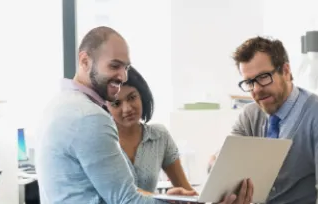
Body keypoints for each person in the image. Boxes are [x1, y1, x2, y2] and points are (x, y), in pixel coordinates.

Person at [35, 26, 254, 204]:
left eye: (125, 67)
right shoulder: (90, 117)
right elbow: (125, 199)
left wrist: (169, 199)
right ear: (84, 61)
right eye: (114, 66)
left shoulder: (57, 105)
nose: (121, 76)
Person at [225, 36, 318, 203]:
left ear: (286, 71)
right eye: (249, 82)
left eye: (263, 77)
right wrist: (215, 164)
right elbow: (225, 168)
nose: (256, 90)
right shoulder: (249, 116)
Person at [106, 67, 194, 193]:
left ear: (142, 96)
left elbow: (187, 191)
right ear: (106, 107)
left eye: (132, 97)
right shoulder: (102, 141)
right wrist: (164, 201)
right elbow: (122, 194)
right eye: (116, 103)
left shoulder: (159, 136)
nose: (127, 109)